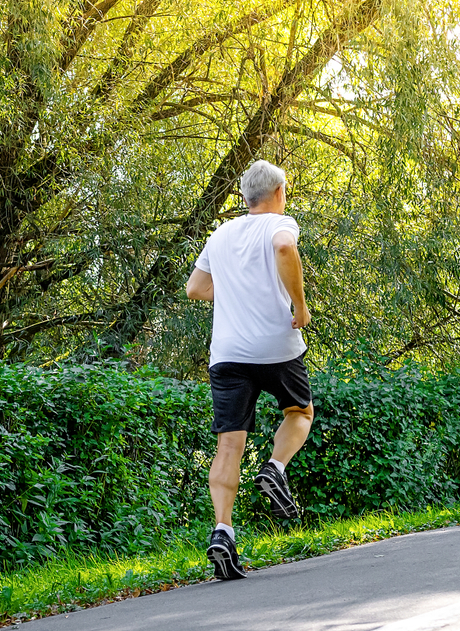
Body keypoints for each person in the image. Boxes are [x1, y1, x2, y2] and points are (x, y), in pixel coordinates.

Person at [185, 159, 314, 580]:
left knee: (228, 446)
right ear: (278, 193)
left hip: (227, 353)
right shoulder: (280, 223)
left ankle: (223, 531)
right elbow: (283, 248)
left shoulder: (219, 235)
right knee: (300, 413)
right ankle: (275, 468)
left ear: (245, 198)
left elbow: (195, 289)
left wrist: (238, 290)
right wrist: (299, 303)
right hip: (275, 346)